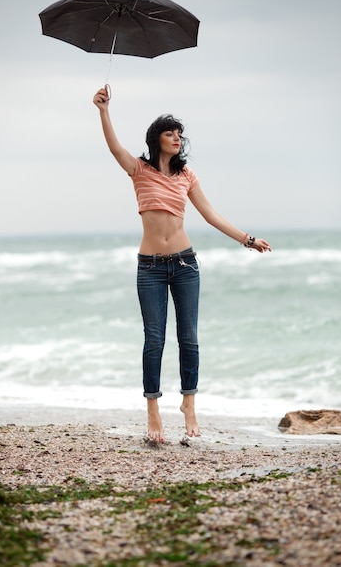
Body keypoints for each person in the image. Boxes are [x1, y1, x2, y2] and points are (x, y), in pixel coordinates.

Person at [93, 86, 271, 443]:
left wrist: (246, 239)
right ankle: (153, 409)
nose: (177, 138)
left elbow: (210, 214)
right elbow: (114, 148)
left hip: (185, 264)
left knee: (188, 338)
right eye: (169, 133)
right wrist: (103, 110)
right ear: (156, 139)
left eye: (179, 134)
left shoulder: (186, 176)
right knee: (154, 339)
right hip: (150, 268)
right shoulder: (139, 170)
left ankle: (189, 403)